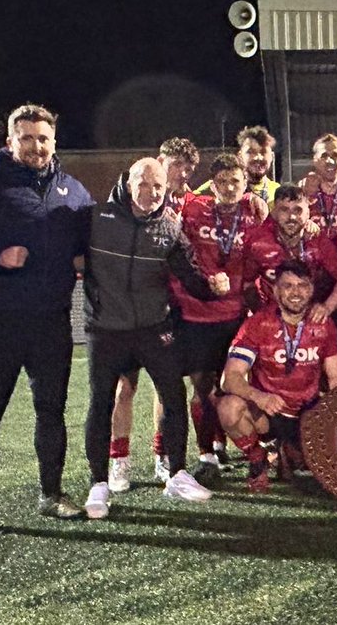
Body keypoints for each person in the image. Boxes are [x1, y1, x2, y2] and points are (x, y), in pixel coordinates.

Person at [0, 104, 94, 539]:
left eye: (43, 138)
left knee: (52, 411)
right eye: (26, 138)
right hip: (0, 322)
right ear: (11, 142)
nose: (36, 146)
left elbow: (90, 245)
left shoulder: (75, 192)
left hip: (51, 322)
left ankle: (52, 494)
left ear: (54, 142)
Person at [81, 158, 225, 519]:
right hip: (106, 329)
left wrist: (213, 289)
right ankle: (98, 482)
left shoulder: (170, 227)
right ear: (129, 183)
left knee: (173, 398)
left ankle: (176, 473)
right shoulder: (96, 218)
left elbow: (190, 276)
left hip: (153, 327)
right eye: (144, 184)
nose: (151, 192)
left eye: (158, 186)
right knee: (101, 403)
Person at [108, 136, 200, 492]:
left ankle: (163, 457)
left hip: (172, 312)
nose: (182, 175)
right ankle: (118, 461)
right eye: (176, 166)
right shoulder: (127, 202)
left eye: (188, 170)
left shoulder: (194, 204)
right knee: (124, 387)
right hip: (130, 315)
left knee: (167, 389)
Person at [173, 153, 269, 486]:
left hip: (234, 316)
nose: (229, 187)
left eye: (236, 182)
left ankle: (227, 440)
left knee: (232, 387)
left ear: (245, 185)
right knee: (201, 386)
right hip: (196, 314)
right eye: (223, 182)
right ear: (212, 185)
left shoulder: (255, 214)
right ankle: (207, 455)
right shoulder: (193, 208)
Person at [217, 260, 337, 491]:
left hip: (308, 413)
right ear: (275, 290)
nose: (296, 292)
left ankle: (294, 450)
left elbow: (336, 378)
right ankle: (258, 458)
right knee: (228, 407)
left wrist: (328, 424)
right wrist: (259, 397)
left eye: (302, 285)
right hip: (269, 412)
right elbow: (230, 378)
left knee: (310, 480)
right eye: (288, 286)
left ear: (312, 289)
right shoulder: (257, 323)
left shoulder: (324, 325)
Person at [244, 184, 337, 323]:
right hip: (274, 317)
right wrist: (261, 313)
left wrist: (328, 306)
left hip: (311, 317)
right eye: (284, 210)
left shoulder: (317, 240)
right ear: (274, 213)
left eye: (298, 210)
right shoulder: (258, 241)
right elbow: (247, 283)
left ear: (308, 213)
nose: (291, 216)